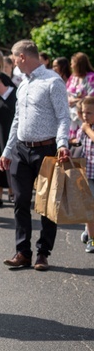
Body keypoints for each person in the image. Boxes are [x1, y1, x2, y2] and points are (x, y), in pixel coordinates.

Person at [0, 40, 71, 271]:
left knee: (47, 205)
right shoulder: (22, 84)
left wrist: (62, 144)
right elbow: (17, 120)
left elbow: (63, 116)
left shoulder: (53, 81)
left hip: (47, 150)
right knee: (20, 201)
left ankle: (43, 253)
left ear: (22, 57)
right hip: (21, 149)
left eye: (12, 57)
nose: (11, 61)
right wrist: (8, 150)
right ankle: (23, 252)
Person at [0, 72, 17, 207]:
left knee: (12, 162)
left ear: (4, 82)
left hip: (12, 135)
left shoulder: (14, 94)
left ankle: (13, 192)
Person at [77, 96, 94, 253]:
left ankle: (90, 235)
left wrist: (87, 129)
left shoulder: (87, 128)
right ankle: (90, 236)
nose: (85, 116)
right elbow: (78, 143)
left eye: (89, 113)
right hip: (87, 172)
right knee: (89, 207)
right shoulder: (82, 128)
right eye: (83, 112)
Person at [66, 52, 94, 142]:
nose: (71, 66)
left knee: (82, 142)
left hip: (84, 115)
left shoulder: (91, 77)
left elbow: (91, 97)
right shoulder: (73, 77)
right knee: (72, 142)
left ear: (79, 65)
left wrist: (75, 100)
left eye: (72, 63)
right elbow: (66, 91)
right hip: (71, 116)